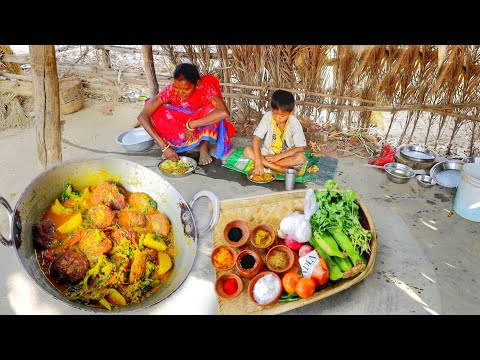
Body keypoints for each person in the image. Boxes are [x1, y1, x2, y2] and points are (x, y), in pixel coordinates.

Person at [137, 62, 235, 165]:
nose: (180, 93)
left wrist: (191, 124)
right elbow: (142, 116)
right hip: (179, 123)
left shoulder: (206, 88)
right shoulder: (170, 90)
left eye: (185, 89)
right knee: (156, 111)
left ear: (197, 84)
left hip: (197, 121)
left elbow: (223, 112)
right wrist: (163, 146)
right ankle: (172, 146)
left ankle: (203, 146)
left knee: (212, 109)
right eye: (176, 87)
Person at [243, 89, 307, 175]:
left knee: (301, 158)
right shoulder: (268, 117)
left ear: (291, 112)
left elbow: (300, 147)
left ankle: (267, 165)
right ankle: (279, 168)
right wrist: (258, 161)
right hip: (267, 155)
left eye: (282, 116)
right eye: (274, 113)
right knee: (247, 151)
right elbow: (256, 139)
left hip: (285, 156)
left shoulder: (294, 122)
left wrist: (278, 157)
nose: (277, 118)